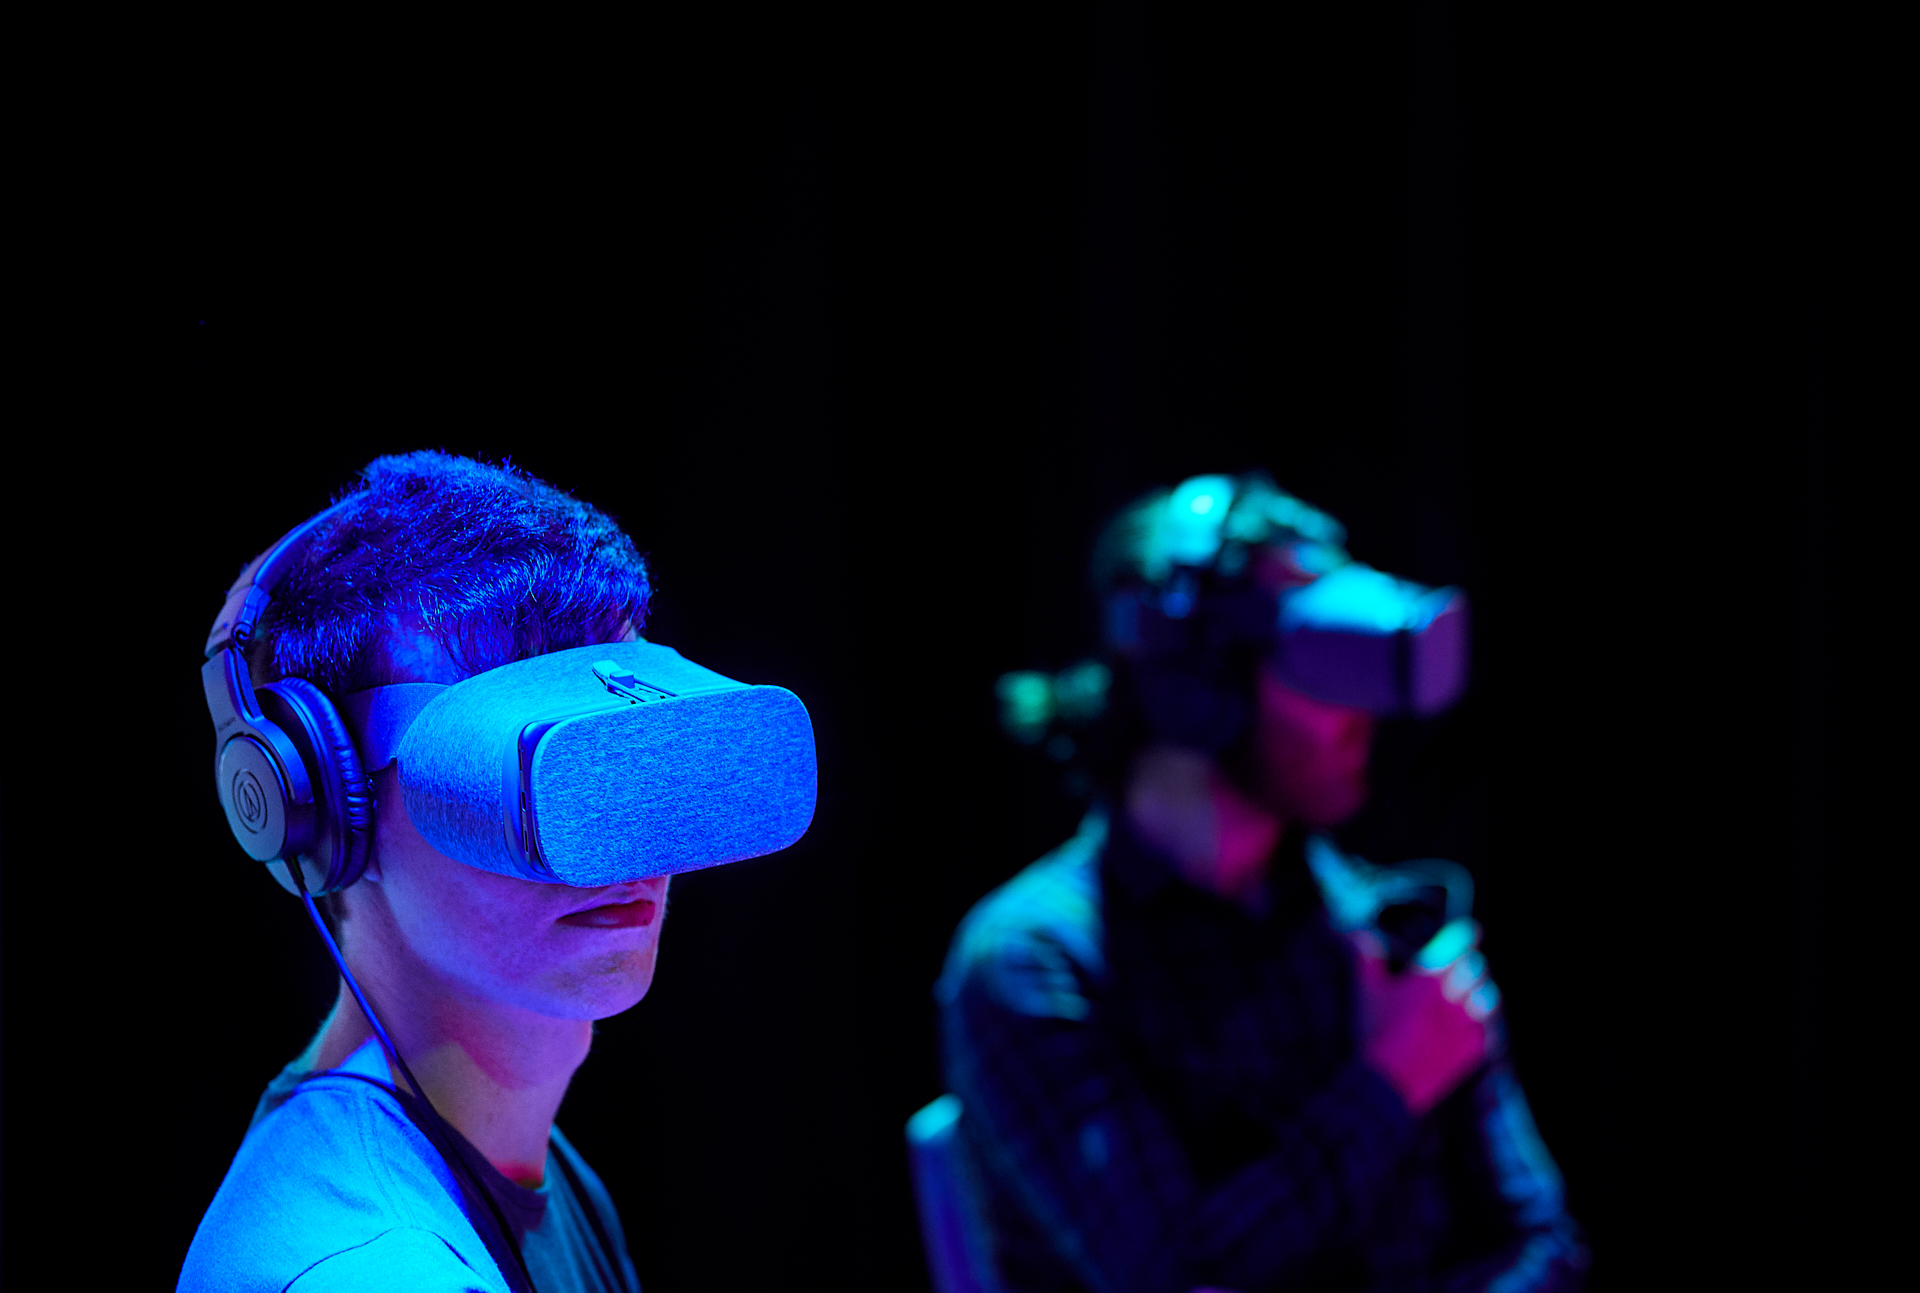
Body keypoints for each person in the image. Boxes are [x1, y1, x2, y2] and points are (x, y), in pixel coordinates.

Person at [179, 452, 815, 1292]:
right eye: (521, 775)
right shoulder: (371, 1268)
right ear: (329, 803)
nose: (606, 845)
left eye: (617, 753)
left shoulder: (530, 1169)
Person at [938, 474, 1587, 1293]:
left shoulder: (1388, 932)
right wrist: (1392, 1080)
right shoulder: (1035, 961)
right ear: (1195, 693)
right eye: (1321, 668)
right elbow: (1174, 1276)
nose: (1360, 716)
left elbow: (1544, 1242)